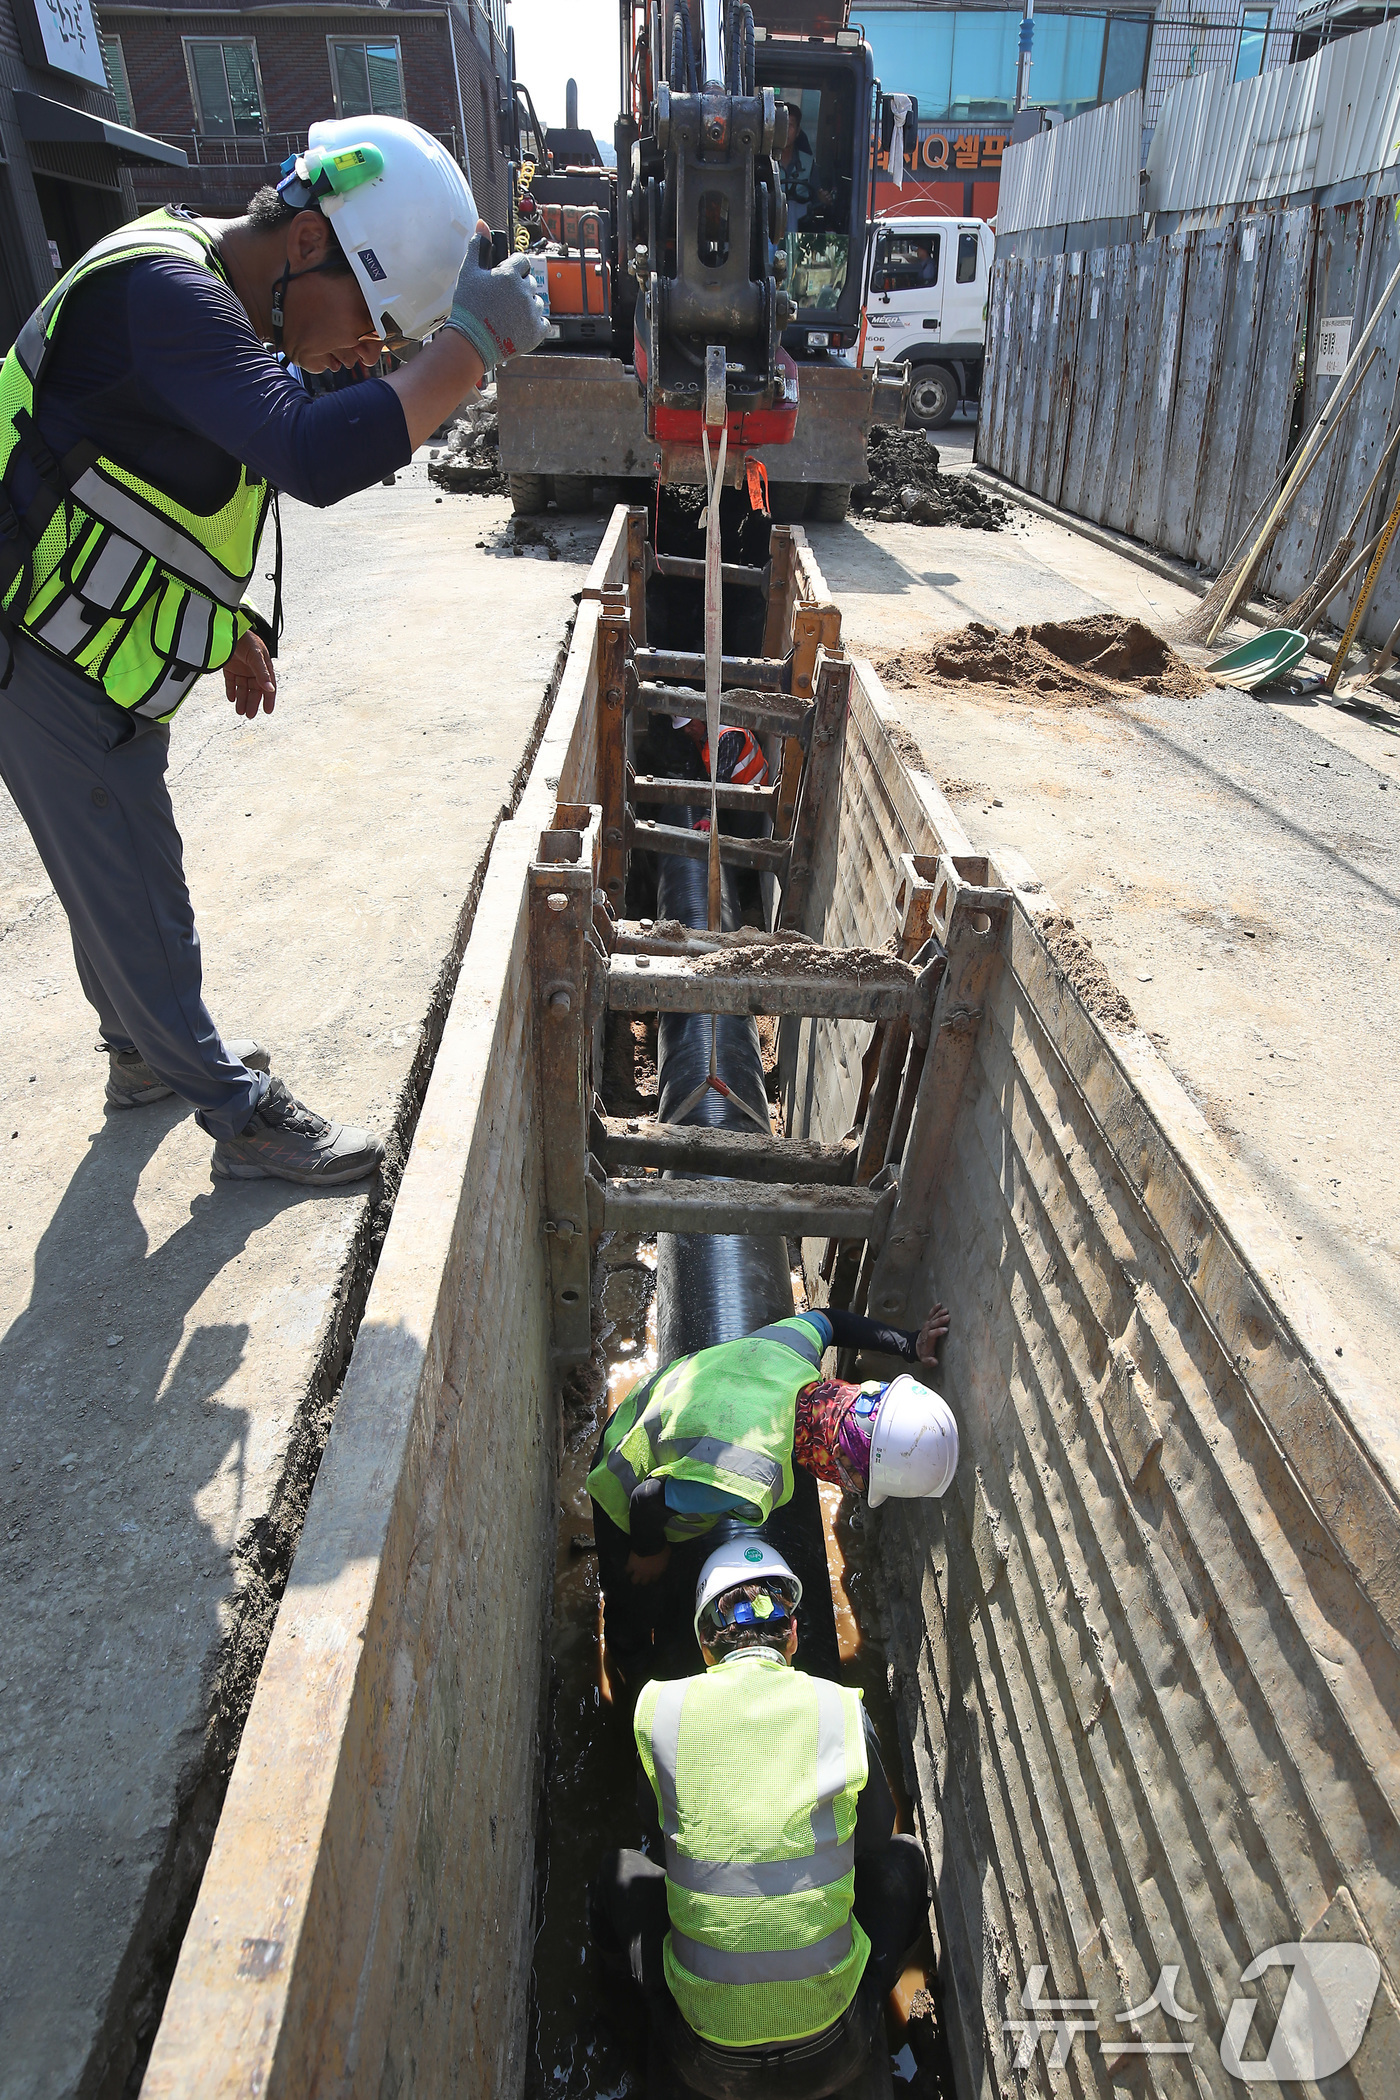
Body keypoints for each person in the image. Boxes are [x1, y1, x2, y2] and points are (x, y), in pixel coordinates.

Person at [0, 115, 548, 1183]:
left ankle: (139, 1055)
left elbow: (152, 486)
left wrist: (228, 625)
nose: (363, 355)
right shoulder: (170, 296)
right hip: (35, 644)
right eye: (369, 324)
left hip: (88, 642)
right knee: (128, 880)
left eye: (388, 346)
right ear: (305, 246)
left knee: (124, 870)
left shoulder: (215, 306)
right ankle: (238, 1115)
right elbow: (303, 451)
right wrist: (468, 350)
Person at [589, 1539, 930, 2094]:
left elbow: (655, 1834)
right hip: (834, 2045)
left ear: (704, 1644)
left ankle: (624, 2030)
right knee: (904, 1859)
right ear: (793, 1636)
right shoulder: (838, 1708)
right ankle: (881, 2008)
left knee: (618, 1874)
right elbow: (873, 1835)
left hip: (704, 2055)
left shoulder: (661, 1711)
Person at [587, 1302, 957, 1680]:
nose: (848, 1487)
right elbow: (646, 1499)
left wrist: (910, 1344)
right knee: (633, 1592)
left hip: (648, 1405)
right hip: (621, 1476)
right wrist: (648, 1552)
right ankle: (629, 1667)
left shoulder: (792, 1351)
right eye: (855, 1481)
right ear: (838, 1461)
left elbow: (828, 1320)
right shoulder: (748, 1475)